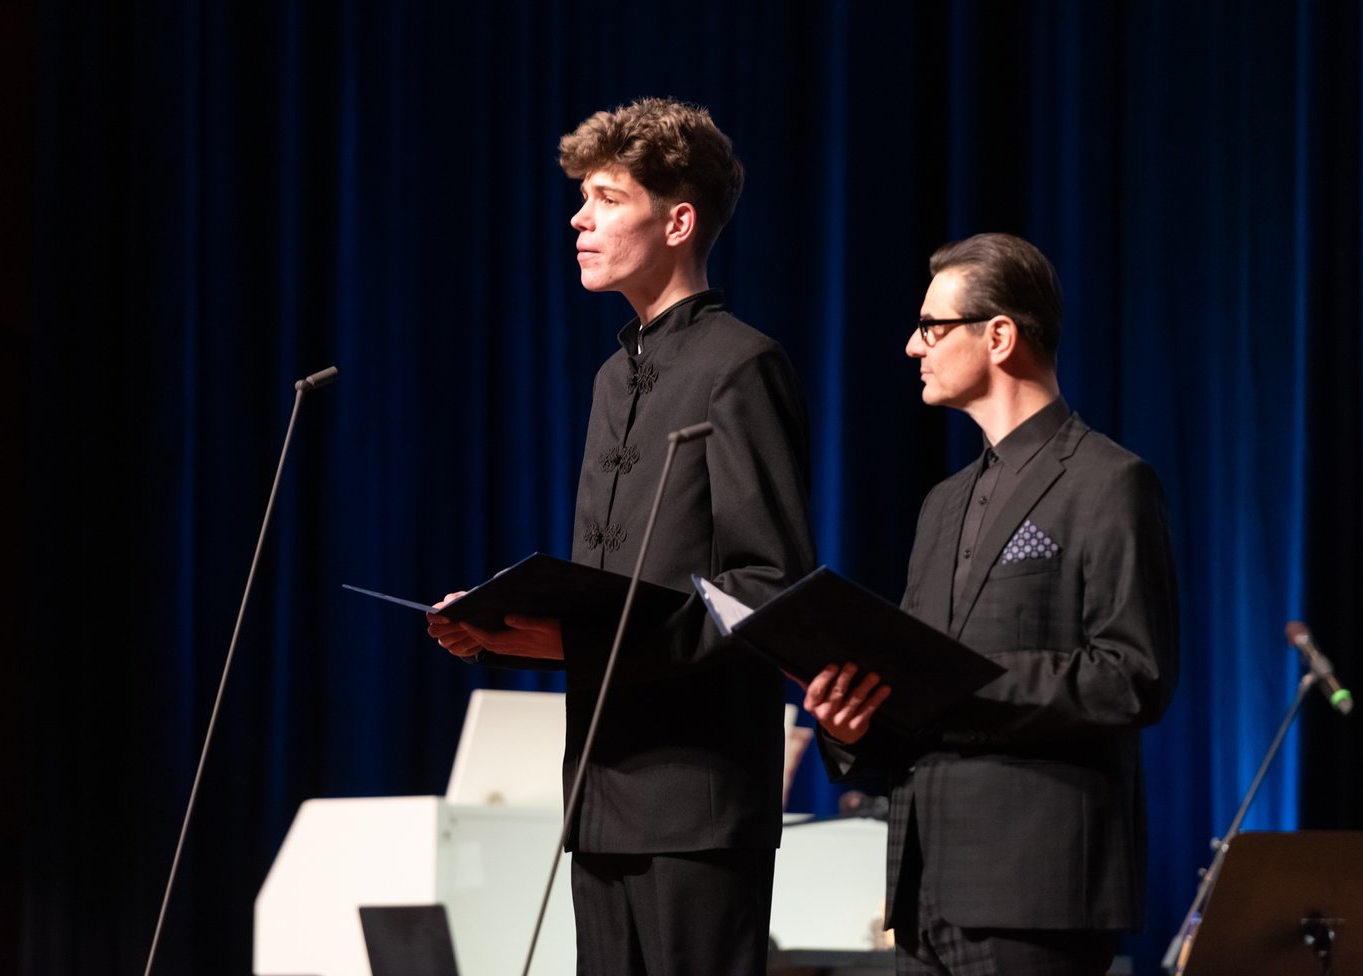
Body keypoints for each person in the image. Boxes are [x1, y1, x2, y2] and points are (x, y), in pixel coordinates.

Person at [428, 97, 815, 976]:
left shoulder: (741, 364)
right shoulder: (614, 376)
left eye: (607, 198)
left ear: (677, 222)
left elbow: (764, 586)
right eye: (584, 198)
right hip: (601, 791)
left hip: (699, 799)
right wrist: (510, 625)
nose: (580, 218)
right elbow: (610, 591)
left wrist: (584, 640)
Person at [804, 233, 1178, 976]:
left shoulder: (1108, 482)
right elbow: (914, 690)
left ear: (999, 336)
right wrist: (852, 727)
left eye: (932, 326)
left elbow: (1131, 676)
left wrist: (955, 679)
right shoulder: (942, 504)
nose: (913, 345)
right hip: (922, 892)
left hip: (1036, 891)